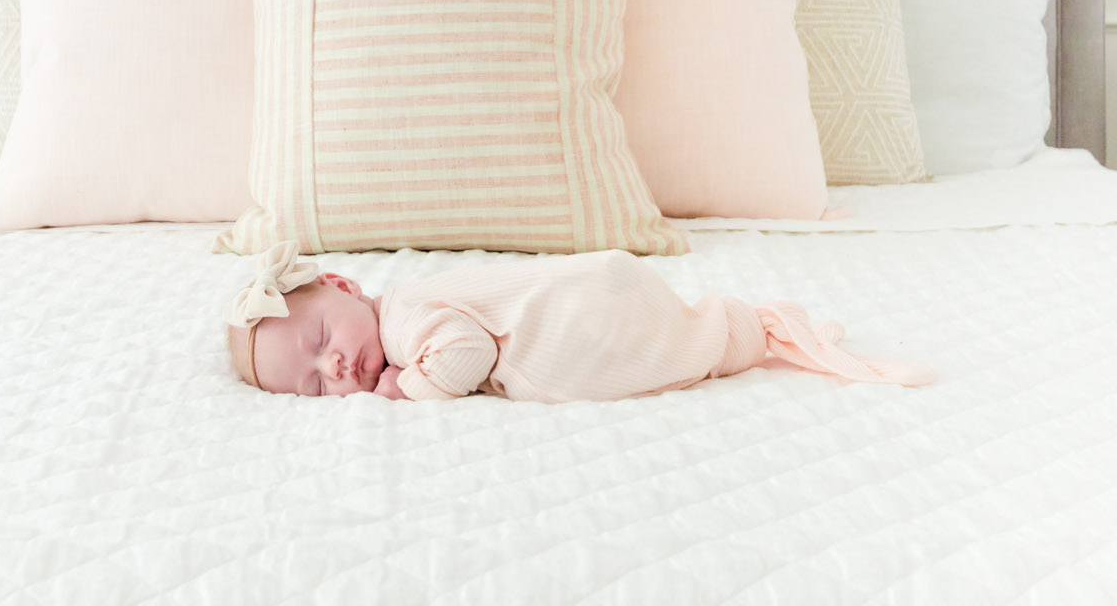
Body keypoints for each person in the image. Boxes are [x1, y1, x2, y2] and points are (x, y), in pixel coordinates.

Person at [225, 242, 932, 402]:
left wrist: (408, 390)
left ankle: (749, 331)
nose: (336, 368)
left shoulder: (405, 317)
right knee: (690, 348)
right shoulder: (394, 325)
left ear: (346, 286)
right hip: (601, 294)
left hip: (585, 305)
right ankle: (748, 331)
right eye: (316, 387)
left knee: (670, 348)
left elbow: (466, 351)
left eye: (322, 342)